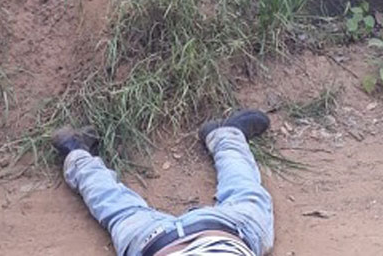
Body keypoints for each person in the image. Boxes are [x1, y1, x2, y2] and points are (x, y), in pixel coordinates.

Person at [52, 109, 275, 256]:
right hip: (151, 242)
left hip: (222, 232)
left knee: (245, 193)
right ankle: (76, 154)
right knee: (118, 209)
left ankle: (225, 135)